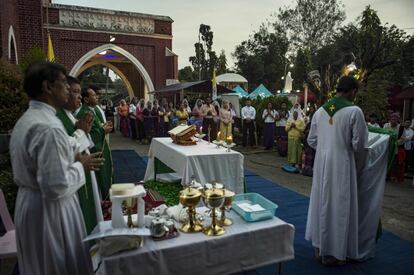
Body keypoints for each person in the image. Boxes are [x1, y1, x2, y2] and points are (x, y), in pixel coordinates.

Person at [10, 61, 104, 275]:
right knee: (57, 265)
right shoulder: (48, 127)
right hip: (50, 212)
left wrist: (77, 142)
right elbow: (56, 185)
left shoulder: (30, 119)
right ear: (48, 87)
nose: (68, 89)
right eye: (63, 83)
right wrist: (82, 165)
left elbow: (55, 153)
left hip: (32, 204)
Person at [306, 76, 368, 265]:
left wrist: (326, 148)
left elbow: (311, 140)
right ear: (352, 91)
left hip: (322, 164)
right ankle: (336, 253)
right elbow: (360, 145)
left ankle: (319, 247)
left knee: (321, 201)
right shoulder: (354, 111)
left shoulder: (320, 111)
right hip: (342, 164)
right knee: (339, 205)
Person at [55, 76, 97, 234]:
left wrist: (85, 131)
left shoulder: (69, 115)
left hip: (80, 172)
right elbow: (65, 149)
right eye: (75, 92)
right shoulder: (57, 118)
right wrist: (82, 131)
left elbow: (84, 142)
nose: (79, 96)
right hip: (70, 178)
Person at [77, 87, 113, 199]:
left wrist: (103, 127)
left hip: (100, 150)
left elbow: (94, 130)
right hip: (94, 153)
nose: (96, 96)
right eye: (93, 95)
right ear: (86, 99)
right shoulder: (84, 113)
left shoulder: (92, 110)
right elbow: (88, 137)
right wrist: (103, 130)